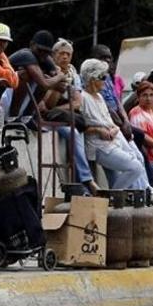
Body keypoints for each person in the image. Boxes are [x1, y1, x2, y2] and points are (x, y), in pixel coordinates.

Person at [80, 59, 149, 190]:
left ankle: (135, 192)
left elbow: (109, 121)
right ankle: (113, 196)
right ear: (93, 79)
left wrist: (114, 129)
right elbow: (81, 126)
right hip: (99, 146)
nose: (105, 81)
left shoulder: (99, 97)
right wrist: (99, 130)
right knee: (135, 167)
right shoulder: (83, 98)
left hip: (113, 140)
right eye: (103, 77)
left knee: (137, 159)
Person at [46, 39, 98, 194]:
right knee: (73, 133)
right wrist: (58, 84)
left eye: (68, 54)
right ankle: (87, 180)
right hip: (51, 120)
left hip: (65, 117)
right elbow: (47, 106)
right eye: (61, 53)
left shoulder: (73, 75)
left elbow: (77, 103)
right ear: (54, 55)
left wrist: (60, 110)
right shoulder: (48, 72)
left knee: (78, 132)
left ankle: (81, 186)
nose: (64, 57)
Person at [6, 30, 69, 121]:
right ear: (32, 44)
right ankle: (12, 117)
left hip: (20, 98)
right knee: (26, 75)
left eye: (46, 51)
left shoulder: (45, 58)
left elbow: (62, 86)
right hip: (3, 93)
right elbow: (46, 83)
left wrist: (56, 78)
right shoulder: (26, 55)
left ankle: (26, 118)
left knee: (46, 79)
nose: (43, 54)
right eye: (40, 50)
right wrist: (60, 76)